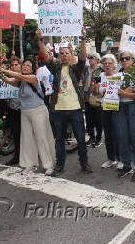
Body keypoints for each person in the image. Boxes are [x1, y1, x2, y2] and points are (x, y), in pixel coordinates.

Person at [36, 28, 93, 175]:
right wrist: (40, 40)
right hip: (58, 110)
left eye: (66, 53)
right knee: (59, 140)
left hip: (75, 110)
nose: (64, 55)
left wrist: (83, 39)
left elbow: (82, 57)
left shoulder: (76, 69)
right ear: (58, 56)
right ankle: (60, 165)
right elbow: (46, 56)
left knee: (80, 138)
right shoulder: (55, 68)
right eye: (61, 53)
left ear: (70, 55)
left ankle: (84, 163)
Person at [0, 58, 55, 175]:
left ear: (33, 69)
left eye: (28, 66)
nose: (25, 67)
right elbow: (8, 80)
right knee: (26, 139)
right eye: (24, 65)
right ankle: (30, 164)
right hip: (25, 112)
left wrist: (5, 70)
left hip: (38, 111)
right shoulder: (19, 80)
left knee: (42, 138)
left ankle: (48, 164)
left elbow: (21, 77)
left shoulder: (34, 78)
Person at [110, 51, 135, 181]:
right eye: (122, 59)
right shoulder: (116, 76)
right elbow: (111, 94)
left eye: (127, 58)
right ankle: (126, 165)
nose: (124, 61)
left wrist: (125, 94)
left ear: (133, 60)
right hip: (119, 109)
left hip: (134, 107)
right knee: (122, 138)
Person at [93, 54, 120, 169]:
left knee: (118, 134)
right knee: (108, 135)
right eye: (105, 63)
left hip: (117, 108)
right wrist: (95, 86)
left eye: (109, 63)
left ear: (114, 65)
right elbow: (98, 92)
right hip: (105, 107)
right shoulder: (101, 76)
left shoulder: (120, 76)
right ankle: (111, 159)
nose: (107, 65)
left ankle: (121, 159)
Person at [0, 57, 22, 166]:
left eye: (16, 64)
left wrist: (2, 73)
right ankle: (17, 156)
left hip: (25, 110)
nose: (14, 67)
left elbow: (11, 81)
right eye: (12, 65)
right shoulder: (10, 77)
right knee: (16, 134)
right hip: (13, 110)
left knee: (28, 134)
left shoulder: (23, 76)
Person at [83, 52, 103, 148]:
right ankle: (91, 137)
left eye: (92, 58)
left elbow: (100, 83)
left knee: (98, 120)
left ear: (97, 59)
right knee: (89, 119)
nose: (90, 59)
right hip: (87, 97)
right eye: (89, 58)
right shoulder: (86, 69)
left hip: (97, 97)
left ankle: (98, 139)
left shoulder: (100, 70)